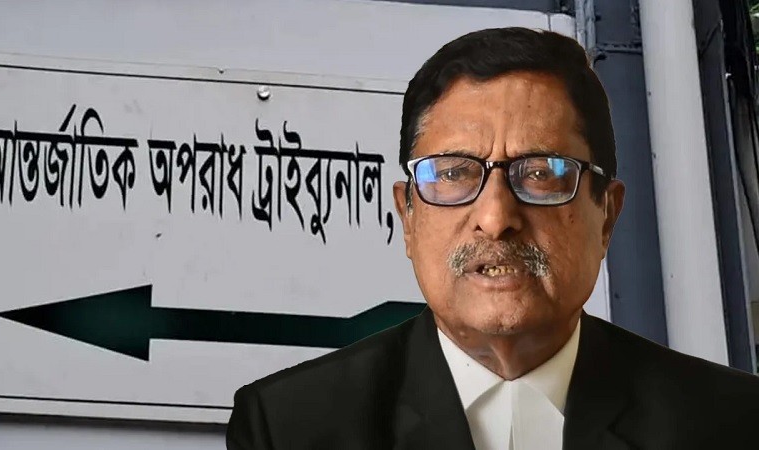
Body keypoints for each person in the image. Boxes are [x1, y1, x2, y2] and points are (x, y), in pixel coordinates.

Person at [226, 27, 759, 449]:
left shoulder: (731, 423)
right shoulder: (290, 427)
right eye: (454, 173)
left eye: (541, 173)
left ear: (607, 215)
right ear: (408, 217)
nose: (496, 217)